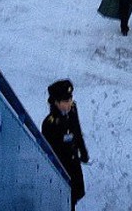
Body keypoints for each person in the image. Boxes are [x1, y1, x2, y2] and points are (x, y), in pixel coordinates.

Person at [42, 79, 89, 209]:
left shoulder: (72, 110)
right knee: (64, 200)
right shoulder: (50, 124)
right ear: (56, 102)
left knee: (73, 198)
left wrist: (83, 151)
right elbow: (48, 153)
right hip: (61, 169)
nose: (69, 104)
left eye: (70, 100)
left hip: (73, 163)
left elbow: (77, 130)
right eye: (65, 102)